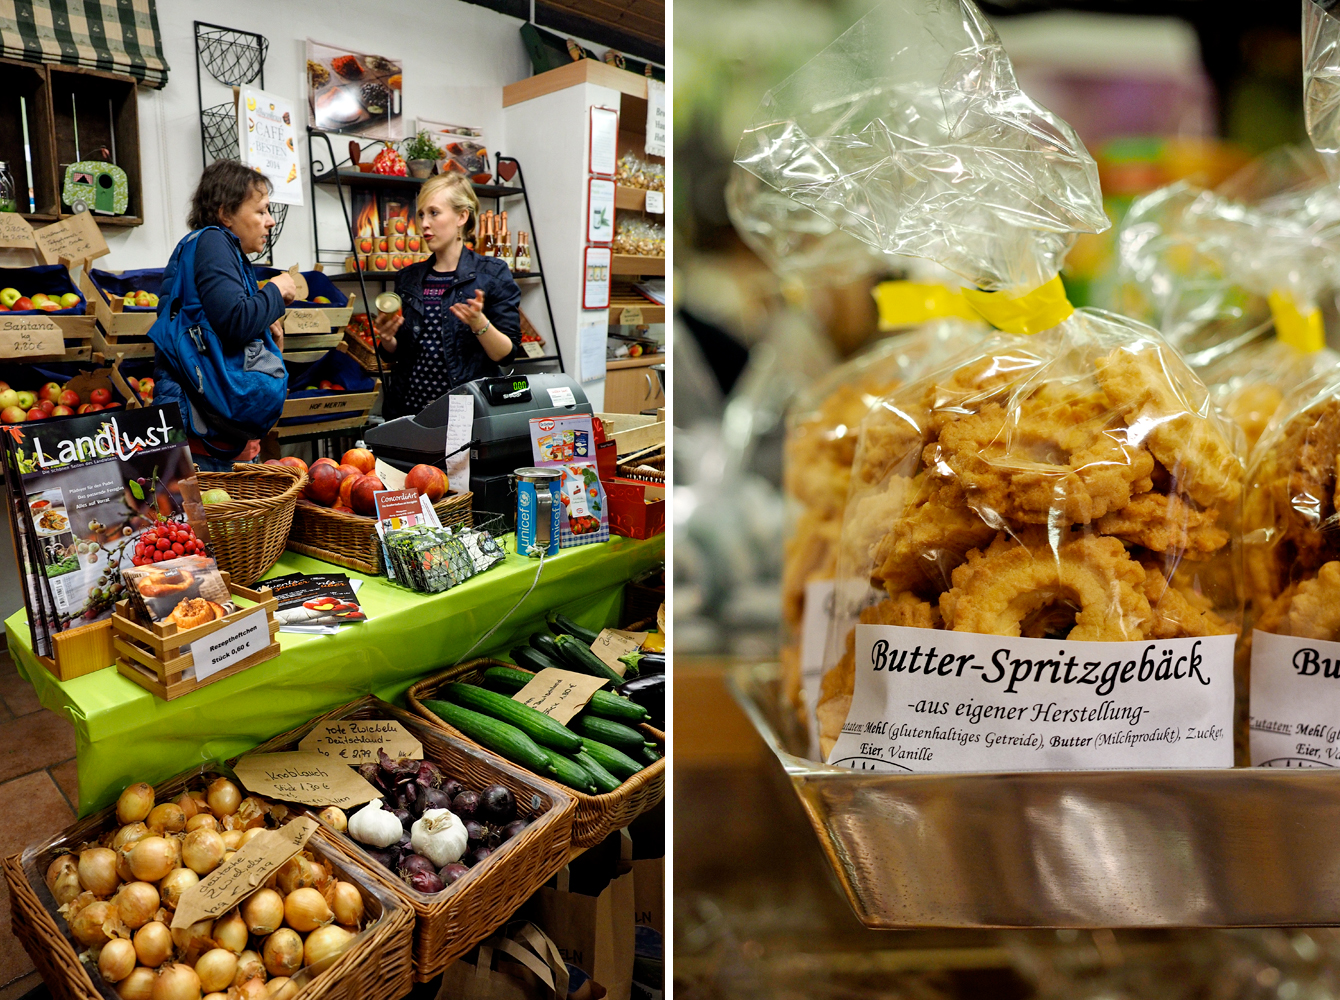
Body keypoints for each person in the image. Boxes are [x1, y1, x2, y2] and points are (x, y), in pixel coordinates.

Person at [153, 160, 296, 470]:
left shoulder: (215, 247)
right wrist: (275, 290)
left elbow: (224, 321)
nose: (270, 221)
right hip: (208, 448)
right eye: (260, 211)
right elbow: (234, 323)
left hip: (209, 438)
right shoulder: (214, 242)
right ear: (225, 213)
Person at [374, 173, 521, 418]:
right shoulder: (407, 277)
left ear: (462, 216)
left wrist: (479, 323)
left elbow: (506, 355)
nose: (424, 223)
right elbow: (400, 353)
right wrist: (388, 339)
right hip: (408, 414)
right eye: (421, 214)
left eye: (434, 213)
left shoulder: (492, 274)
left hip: (468, 416)